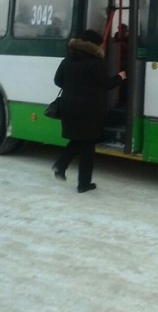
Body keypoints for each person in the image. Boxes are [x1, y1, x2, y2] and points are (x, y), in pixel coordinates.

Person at [51, 29, 127, 192]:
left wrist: (73, 88)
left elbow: (58, 80)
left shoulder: (68, 58)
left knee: (79, 140)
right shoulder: (95, 62)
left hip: (69, 106)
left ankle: (61, 165)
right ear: (94, 44)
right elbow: (106, 84)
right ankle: (83, 183)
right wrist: (120, 76)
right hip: (88, 109)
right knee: (87, 146)